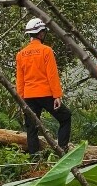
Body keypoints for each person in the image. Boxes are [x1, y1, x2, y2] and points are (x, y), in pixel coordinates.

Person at [16, 18, 71, 154]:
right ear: (40, 34)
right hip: (46, 94)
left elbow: (20, 80)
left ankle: (33, 158)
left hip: (28, 96)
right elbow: (52, 75)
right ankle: (62, 149)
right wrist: (57, 96)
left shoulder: (21, 54)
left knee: (31, 127)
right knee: (66, 117)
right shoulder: (46, 51)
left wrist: (21, 99)